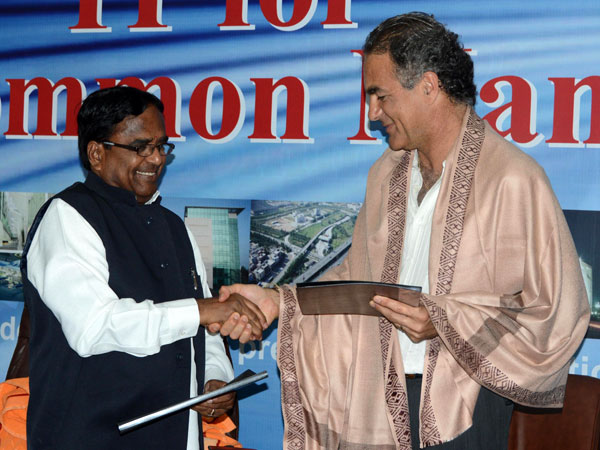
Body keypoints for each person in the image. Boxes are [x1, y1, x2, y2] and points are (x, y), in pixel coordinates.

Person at [217, 12, 590, 450]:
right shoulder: (385, 175)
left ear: (429, 86)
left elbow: (556, 311)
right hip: (378, 398)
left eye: (380, 95)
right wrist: (279, 301)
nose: (373, 113)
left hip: (466, 408)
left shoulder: (512, 179)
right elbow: (356, 282)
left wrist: (445, 321)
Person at [21, 86, 267, 449]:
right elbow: (94, 327)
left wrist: (214, 379)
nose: (156, 159)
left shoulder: (175, 227)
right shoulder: (67, 216)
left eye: (161, 146)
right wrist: (200, 310)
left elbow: (206, 331)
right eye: (140, 147)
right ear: (97, 153)